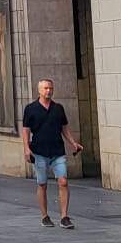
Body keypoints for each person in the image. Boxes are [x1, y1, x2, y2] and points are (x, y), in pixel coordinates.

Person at [21, 79, 83, 229]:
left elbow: (64, 128)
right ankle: (44, 216)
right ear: (39, 90)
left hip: (57, 151)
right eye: (45, 88)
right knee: (42, 184)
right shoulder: (31, 109)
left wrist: (73, 143)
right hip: (39, 151)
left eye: (50, 88)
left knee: (63, 181)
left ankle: (64, 217)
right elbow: (26, 130)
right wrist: (26, 148)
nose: (48, 91)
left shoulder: (58, 108)